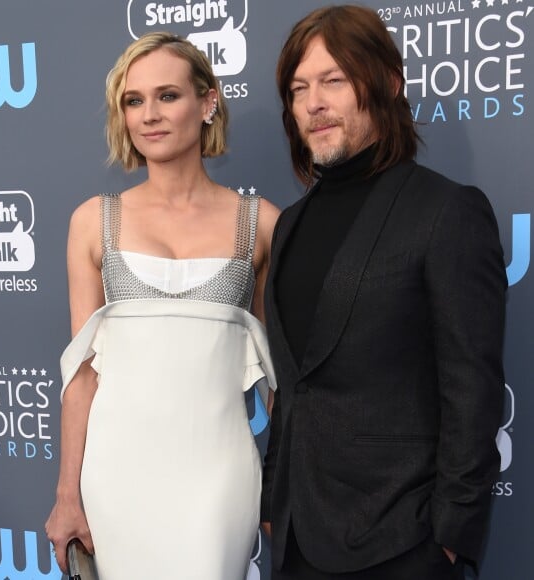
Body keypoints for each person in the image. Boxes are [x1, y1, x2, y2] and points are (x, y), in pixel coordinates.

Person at [261, 5, 506, 580]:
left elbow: (472, 389)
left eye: (333, 81)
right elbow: (295, 385)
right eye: (299, 89)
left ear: (388, 82)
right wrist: (276, 497)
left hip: (403, 542)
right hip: (298, 541)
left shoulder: (446, 211)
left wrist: (448, 537)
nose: (314, 103)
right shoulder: (290, 223)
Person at [45, 31, 279, 579]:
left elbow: (280, 378)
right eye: (134, 100)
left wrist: (288, 485)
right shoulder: (92, 222)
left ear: (208, 101)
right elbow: (80, 375)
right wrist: (66, 495)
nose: (149, 114)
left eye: (168, 95)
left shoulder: (262, 223)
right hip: (116, 476)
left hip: (219, 475)